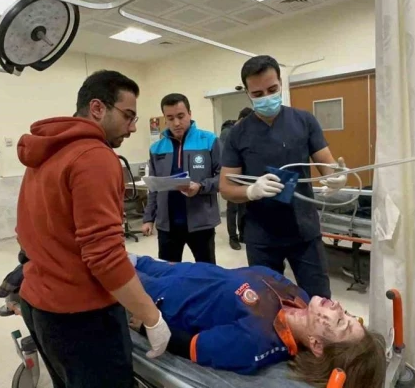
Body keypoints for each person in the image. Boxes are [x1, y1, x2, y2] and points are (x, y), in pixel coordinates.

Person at [15, 70, 171, 388]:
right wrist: (151, 316)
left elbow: (25, 230)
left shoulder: (46, 152)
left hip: (38, 307)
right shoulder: (95, 156)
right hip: (81, 319)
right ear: (97, 108)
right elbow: (105, 256)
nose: (133, 127)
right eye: (127, 116)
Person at [128, 255, 386, 388]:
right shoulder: (300, 297)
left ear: (317, 345)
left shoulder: (258, 342)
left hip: (159, 294)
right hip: (178, 269)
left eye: (341, 322)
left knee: (105, 256)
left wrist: (147, 325)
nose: (339, 307)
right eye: (348, 314)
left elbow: (192, 346)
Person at [219, 56, 348, 299]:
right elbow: (226, 187)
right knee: (269, 304)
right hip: (262, 235)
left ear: (281, 83)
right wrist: (250, 191)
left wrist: (338, 177)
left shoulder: (304, 121)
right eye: (257, 94)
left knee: (319, 300)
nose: (266, 97)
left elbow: (328, 166)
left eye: (272, 89)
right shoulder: (238, 133)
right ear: (247, 93)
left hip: (304, 230)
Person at [141, 93, 221, 264]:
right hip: (167, 225)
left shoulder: (209, 141)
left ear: (190, 114)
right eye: (170, 118)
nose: (176, 123)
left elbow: (224, 177)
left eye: (181, 116)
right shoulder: (156, 148)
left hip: (201, 222)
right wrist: (148, 218)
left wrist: (200, 186)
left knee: (206, 271)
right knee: (169, 272)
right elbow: (153, 187)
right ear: (165, 119)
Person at [220, 107, 253, 250]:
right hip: (231, 175)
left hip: (244, 175)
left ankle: (242, 234)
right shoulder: (227, 133)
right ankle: (233, 237)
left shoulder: (246, 131)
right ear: (241, 119)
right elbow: (224, 156)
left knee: (243, 206)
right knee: (232, 208)